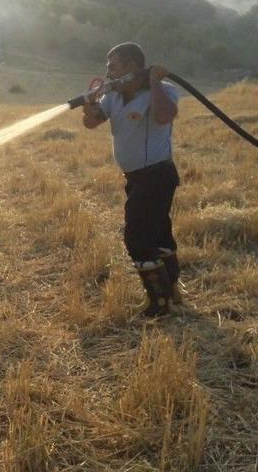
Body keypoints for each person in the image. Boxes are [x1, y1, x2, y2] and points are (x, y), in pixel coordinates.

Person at [81, 42, 183, 317]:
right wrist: (89, 105)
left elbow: (164, 116)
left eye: (113, 67)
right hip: (135, 178)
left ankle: (159, 303)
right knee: (159, 234)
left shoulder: (163, 91)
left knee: (136, 238)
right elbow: (92, 123)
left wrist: (153, 81)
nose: (109, 73)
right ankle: (172, 291)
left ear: (132, 67)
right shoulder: (112, 97)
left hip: (157, 176)